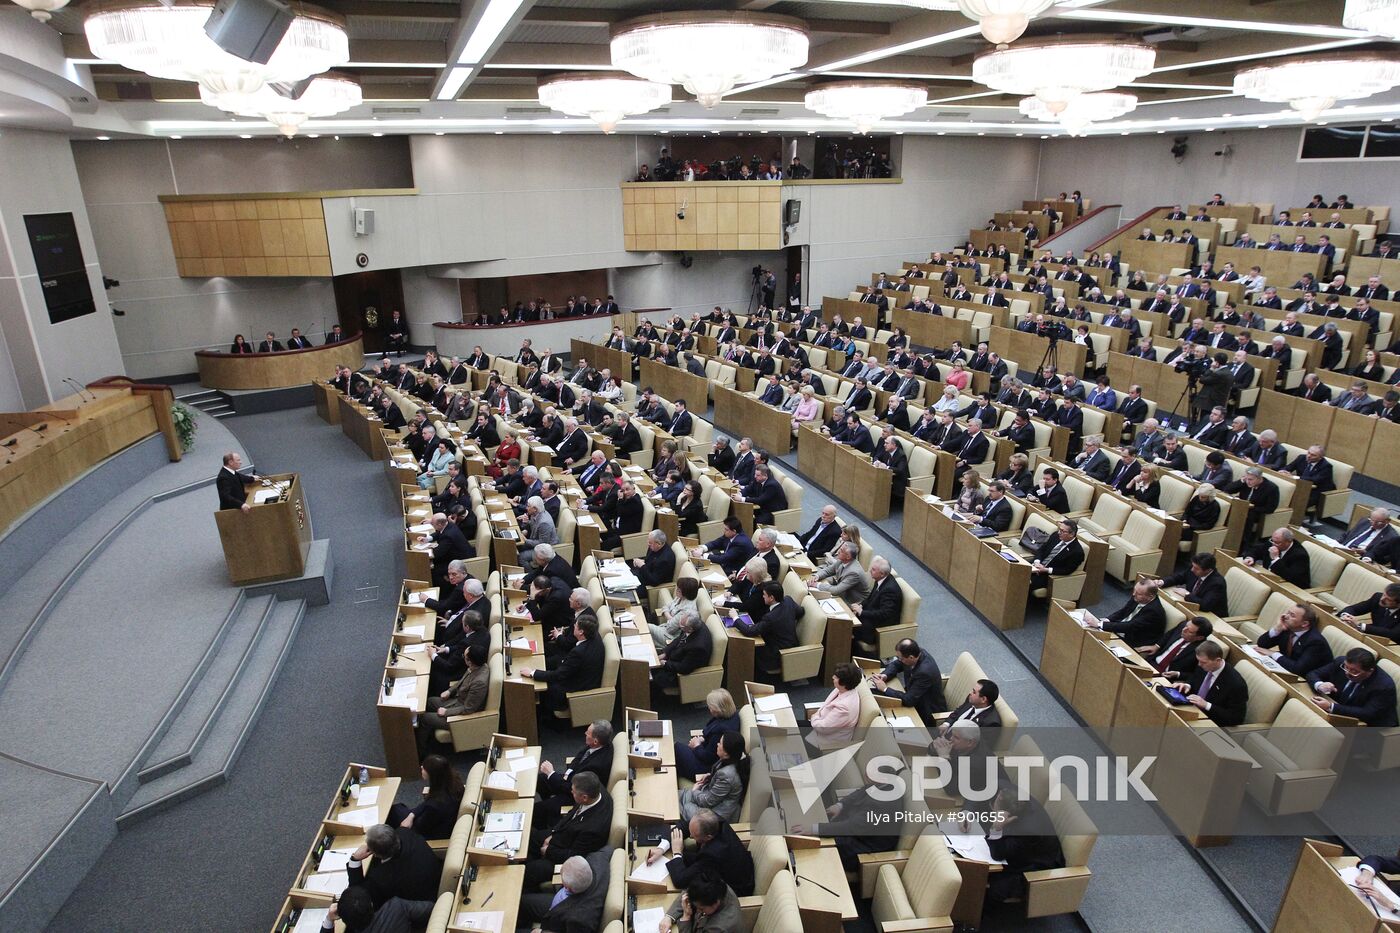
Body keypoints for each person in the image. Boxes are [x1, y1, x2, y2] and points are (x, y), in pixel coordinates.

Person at [524, 772, 613, 888]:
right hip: (561, 834)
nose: (571, 792)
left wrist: (548, 851)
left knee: (528, 871)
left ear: (584, 798)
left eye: (574, 792)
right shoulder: (595, 788)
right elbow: (572, 814)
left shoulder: (593, 830)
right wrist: (552, 833)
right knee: (526, 836)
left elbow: (574, 855)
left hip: (562, 859)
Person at [646, 808, 755, 898]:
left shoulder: (713, 854)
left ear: (708, 837)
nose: (691, 837)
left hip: (735, 888)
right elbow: (684, 826)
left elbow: (680, 881)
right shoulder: (712, 820)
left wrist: (677, 853)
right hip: (724, 864)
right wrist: (661, 848)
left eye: (694, 836)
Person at [983, 788, 1065, 904]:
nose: (992, 807)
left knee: (987, 887)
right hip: (1029, 848)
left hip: (1036, 867)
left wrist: (996, 829)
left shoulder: (1027, 831)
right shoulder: (1015, 794)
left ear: (1008, 817)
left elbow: (997, 854)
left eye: (995, 810)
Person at [536, 720, 615, 824]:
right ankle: (547, 802)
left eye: (587, 733)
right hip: (572, 779)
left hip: (575, 795)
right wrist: (568, 773)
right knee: (541, 779)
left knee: (538, 809)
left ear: (595, 741)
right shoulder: (599, 743)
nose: (585, 734)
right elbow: (579, 757)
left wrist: (551, 773)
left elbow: (571, 789)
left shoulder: (595, 766)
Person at [521, 615, 604, 714]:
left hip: (578, 685)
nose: (573, 626)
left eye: (575, 626)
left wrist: (533, 673)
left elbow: (558, 675)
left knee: (548, 688)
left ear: (581, 632)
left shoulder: (579, 652)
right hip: (583, 672)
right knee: (553, 660)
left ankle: (547, 716)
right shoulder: (595, 635)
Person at [417, 643, 490, 754]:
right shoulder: (477, 666)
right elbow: (463, 681)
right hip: (457, 700)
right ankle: (428, 735)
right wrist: (449, 691)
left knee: (424, 718)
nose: (463, 659)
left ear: (470, 661)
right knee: (430, 701)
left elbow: (468, 709)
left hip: (461, 715)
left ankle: (420, 751)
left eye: (464, 657)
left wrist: (446, 712)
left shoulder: (479, 682)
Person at [346, 823, 439, 907]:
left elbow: (356, 895)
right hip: (433, 882)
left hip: (419, 904)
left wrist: (355, 859)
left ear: (374, 853)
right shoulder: (405, 833)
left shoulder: (381, 878)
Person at [520, 850, 612, 933]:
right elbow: (609, 848)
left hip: (556, 921)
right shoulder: (598, 859)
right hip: (558, 904)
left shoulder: (578, 920)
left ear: (567, 888)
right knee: (520, 902)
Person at [1306, 648, 1399, 726]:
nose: (1347, 673)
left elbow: (1367, 713)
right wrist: (1320, 685)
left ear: (1370, 671)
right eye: (1346, 667)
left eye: (1354, 671)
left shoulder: (1384, 686)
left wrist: (1332, 706)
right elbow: (1312, 674)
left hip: (1373, 729)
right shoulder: (1340, 663)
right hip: (1340, 717)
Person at [1170, 641, 1249, 726]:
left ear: (1217, 660)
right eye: (1198, 661)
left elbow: (1236, 718)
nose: (1199, 665)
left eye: (1203, 662)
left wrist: (1207, 705)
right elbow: (1194, 677)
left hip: (1210, 722)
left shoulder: (1236, 685)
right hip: (1190, 710)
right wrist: (1187, 685)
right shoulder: (1204, 664)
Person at [386, 755, 464, 840]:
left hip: (431, 834)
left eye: (424, 768)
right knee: (397, 809)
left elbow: (421, 827)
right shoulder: (453, 782)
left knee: (393, 813)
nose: (421, 767)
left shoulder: (436, 804)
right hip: (435, 821)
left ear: (433, 774)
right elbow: (427, 803)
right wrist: (411, 815)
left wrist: (410, 819)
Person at [870, 638, 946, 724]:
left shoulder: (924, 672)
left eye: (901, 658)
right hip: (913, 694)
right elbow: (897, 664)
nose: (899, 660)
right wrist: (885, 675)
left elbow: (909, 700)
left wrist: (885, 689)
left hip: (925, 711)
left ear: (911, 657)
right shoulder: (915, 652)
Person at [679, 731, 748, 823]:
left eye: (720, 743)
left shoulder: (726, 775)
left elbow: (708, 802)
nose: (717, 744)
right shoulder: (732, 758)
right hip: (712, 799)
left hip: (717, 815)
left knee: (680, 806)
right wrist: (710, 776)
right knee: (676, 796)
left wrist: (694, 791)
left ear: (727, 753)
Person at [734, 582, 802, 673]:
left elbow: (749, 631)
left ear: (771, 598)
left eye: (764, 595)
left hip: (777, 654)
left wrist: (735, 618)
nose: (762, 597)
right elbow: (800, 612)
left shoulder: (771, 617)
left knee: (744, 647)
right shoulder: (788, 600)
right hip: (789, 642)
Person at [676, 690, 740, 781]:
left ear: (717, 710)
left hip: (706, 768)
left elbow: (708, 757)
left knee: (676, 748)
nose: (709, 708)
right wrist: (703, 738)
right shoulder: (732, 715)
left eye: (710, 706)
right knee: (678, 750)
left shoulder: (720, 731)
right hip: (707, 751)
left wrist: (696, 745)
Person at [1252, 603, 1330, 675]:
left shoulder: (1316, 642)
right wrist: (1277, 628)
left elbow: (1297, 669)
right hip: (1286, 668)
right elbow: (1262, 644)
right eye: (1288, 612)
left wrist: (1273, 654)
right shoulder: (1288, 628)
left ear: (1304, 624)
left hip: (1306, 679)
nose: (1286, 616)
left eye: (1292, 615)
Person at [1084, 580, 1166, 647]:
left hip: (1134, 639)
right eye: (1134, 590)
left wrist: (1099, 624)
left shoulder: (1153, 611)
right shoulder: (1138, 597)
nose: (1134, 594)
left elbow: (1130, 626)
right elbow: (1123, 611)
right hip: (1122, 628)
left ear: (1150, 596)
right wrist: (1106, 620)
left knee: (1095, 643)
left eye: (1139, 594)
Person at [318, 885, 434, 933]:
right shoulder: (396, 907)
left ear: (344, 921)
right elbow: (431, 909)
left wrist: (329, 919)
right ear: (371, 904)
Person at [659, 868, 742, 933]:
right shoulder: (713, 884)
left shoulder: (718, 929)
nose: (698, 910)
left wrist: (686, 917)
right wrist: (669, 917)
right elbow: (689, 892)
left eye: (701, 908)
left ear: (716, 903)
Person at [807, 663, 863, 750]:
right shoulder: (843, 689)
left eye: (836, 677)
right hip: (818, 726)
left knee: (789, 738)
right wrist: (817, 716)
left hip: (825, 744)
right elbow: (824, 708)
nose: (833, 677)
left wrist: (814, 716)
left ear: (844, 682)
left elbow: (823, 728)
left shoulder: (844, 708)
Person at [1029, 520, 1085, 596]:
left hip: (1047, 576)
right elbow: (1041, 549)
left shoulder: (1077, 552)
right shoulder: (1055, 536)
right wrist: (1037, 562)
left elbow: (1067, 570)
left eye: (1062, 531)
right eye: (1059, 529)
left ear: (1071, 534)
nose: (1059, 532)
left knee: (1024, 581)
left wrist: (1046, 570)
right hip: (1035, 566)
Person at [1242, 527, 1311, 588]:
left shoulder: (1300, 555)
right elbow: (1256, 550)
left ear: (1288, 542)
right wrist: (1250, 557)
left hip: (1290, 587)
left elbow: (1291, 577)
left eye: (1278, 543)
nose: (1273, 544)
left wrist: (1275, 559)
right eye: (1272, 541)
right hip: (1268, 580)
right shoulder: (1273, 542)